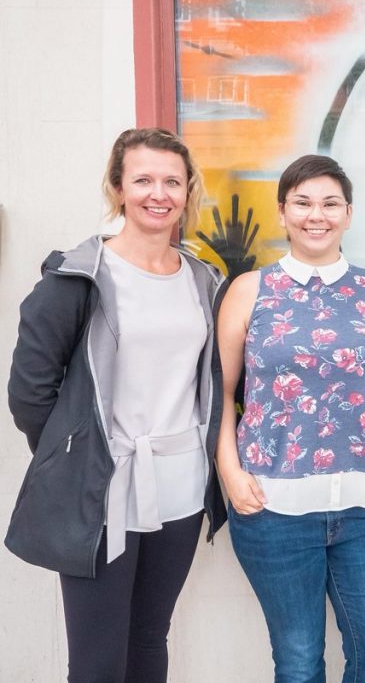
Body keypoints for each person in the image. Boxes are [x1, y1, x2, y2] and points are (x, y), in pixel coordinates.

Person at [6, 128, 226, 682]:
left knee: (150, 638)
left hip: (180, 488)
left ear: (188, 190)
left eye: (172, 181)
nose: (160, 193)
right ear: (118, 187)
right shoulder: (77, 277)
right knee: (99, 661)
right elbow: (29, 391)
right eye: (144, 179)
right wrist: (76, 454)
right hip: (102, 488)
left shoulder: (203, 278)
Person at [216, 154, 365, 683]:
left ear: (349, 214)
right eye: (303, 203)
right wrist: (230, 473)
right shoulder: (249, 291)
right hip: (272, 509)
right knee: (300, 660)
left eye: (330, 203)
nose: (316, 215)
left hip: (362, 510)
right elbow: (220, 393)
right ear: (283, 212)